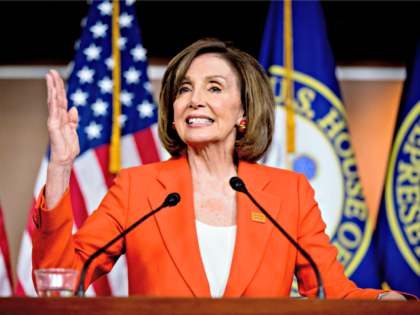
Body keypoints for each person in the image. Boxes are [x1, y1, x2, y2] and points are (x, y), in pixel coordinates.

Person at [32, 39, 407, 300]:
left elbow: (332, 290)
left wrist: (385, 300)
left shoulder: (289, 192)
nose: (195, 100)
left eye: (214, 88)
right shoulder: (138, 188)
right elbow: (61, 276)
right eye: (183, 89)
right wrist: (61, 167)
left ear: (243, 113)